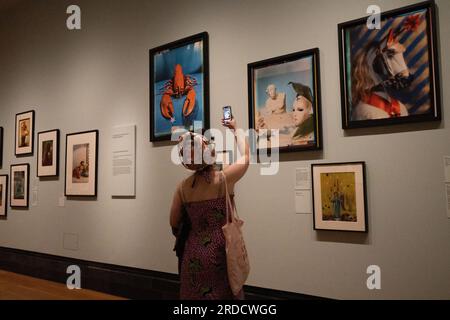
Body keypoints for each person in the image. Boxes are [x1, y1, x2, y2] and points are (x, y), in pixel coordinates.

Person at [170, 117, 250, 300]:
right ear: (209, 151)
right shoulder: (223, 179)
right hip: (222, 254)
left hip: (193, 255)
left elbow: (173, 222)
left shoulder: (182, 188)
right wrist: (235, 128)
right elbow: (246, 156)